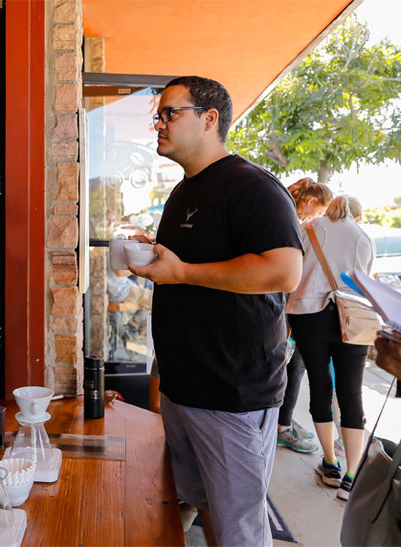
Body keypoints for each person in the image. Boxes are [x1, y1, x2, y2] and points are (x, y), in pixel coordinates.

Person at [128, 76, 303, 546]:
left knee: (239, 530)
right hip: (185, 388)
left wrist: (182, 272)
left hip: (232, 393)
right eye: (158, 115)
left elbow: (285, 271)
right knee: (196, 503)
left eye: (170, 113)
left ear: (210, 119)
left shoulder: (252, 186)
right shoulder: (185, 191)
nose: (158, 124)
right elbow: (192, 264)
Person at [285, 195, 374, 502]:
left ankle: (330, 465)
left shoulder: (308, 228)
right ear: (356, 214)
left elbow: (293, 273)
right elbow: (366, 282)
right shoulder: (363, 237)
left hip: (309, 316)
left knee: (320, 386)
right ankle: (352, 476)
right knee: (351, 393)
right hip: (352, 319)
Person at [276, 178, 333, 453]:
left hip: (285, 305)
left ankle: (281, 422)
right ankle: (281, 427)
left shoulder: (286, 214)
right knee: (292, 366)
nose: (319, 217)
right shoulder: (297, 225)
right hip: (289, 308)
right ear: (311, 202)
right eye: (320, 210)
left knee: (291, 365)